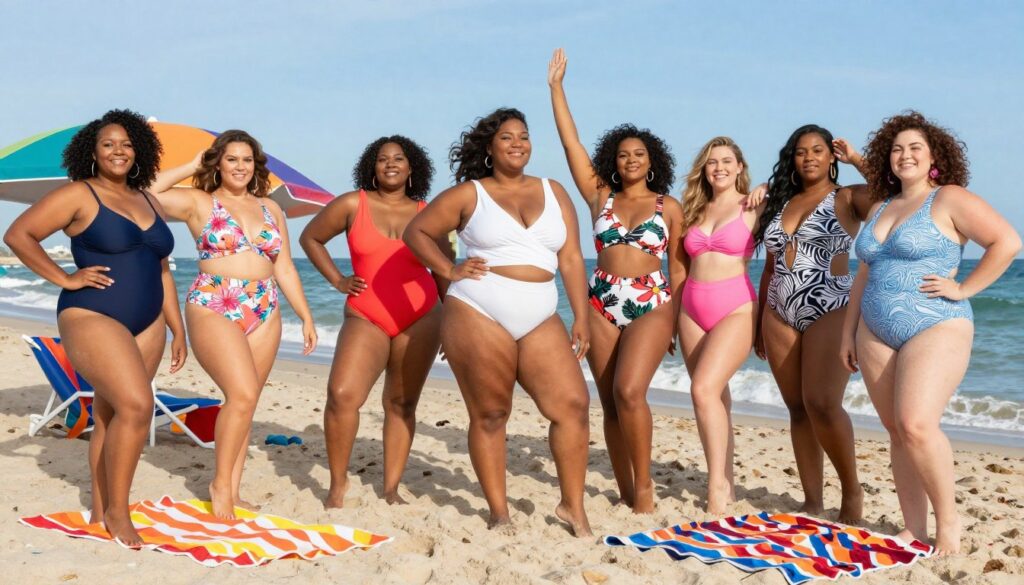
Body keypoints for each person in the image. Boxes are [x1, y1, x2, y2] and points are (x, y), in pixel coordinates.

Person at [403, 108, 592, 536]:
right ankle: (499, 512)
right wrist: (449, 272)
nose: (517, 144)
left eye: (523, 136)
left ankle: (572, 507)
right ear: (490, 148)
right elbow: (417, 232)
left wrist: (581, 315)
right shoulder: (471, 194)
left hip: (542, 311)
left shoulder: (554, 190)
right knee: (491, 413)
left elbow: (572, 257)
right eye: (506, 138)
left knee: (572, 406)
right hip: (478, 308)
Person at [4, 109, 185, 546]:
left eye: (126, 144)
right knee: (139, 407)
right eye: (108, 144)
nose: (118, 151)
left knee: (111, 415)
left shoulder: (149, 200)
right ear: (93, 152)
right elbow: (19, 235)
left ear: (138, 149)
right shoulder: (79, 195)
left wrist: (178, 327)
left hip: (149, 322)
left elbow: (161, 268)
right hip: (92, 314)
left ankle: (103, 509)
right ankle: (121, 515)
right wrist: (65, 278)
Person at [841, 111, 1020, 554]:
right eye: (898, 148)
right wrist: (849, 332)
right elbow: (864, 271)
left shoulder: (949, 198)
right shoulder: (881, 204)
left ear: (934, 157)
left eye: (915, 148)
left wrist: (964, 287)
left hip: (936, 322)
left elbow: (1007, 242)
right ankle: (913, 527)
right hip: (874, 329)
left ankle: (949, 524)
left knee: (916, 424)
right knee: (896, 431)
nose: (905, 155)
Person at [149, 130, 317, 519]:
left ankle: (234, 489)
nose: (240, 166)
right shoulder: (199, 202)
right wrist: (190, 167)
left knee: (247, 403)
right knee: (240, 395)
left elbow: (285, 266)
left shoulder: (270, 209)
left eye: (247, 160)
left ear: (255, 166)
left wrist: (306, 315)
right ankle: (219, 485)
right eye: (232, 159)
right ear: (218, 164)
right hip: (213, 300)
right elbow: (147, 195)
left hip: (265, 305)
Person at [547, 48, 683, 514]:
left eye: (638, 154)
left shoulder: (669, 207)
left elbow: (679, 266)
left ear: (651, 160)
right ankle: (624, 489)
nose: (630, 160)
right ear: (614, 160)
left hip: (653, 301)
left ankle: (644, 486)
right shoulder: (599, 195)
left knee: (630, 392)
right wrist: (556, 89)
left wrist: (677, 321)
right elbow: (571, 145)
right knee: (608, 404)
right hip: (601, 299)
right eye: (623, 155)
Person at [299, 136, 450, 508]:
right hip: (366, 315)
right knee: (342, 395)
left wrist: (454, 321)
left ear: (412, 167)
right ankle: (338, 485)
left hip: (423, 318)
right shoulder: (354, 204)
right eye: (383, 159)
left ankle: (391, 488)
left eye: (399, 158)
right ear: (373, 166)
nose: (391, 164)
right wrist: (337, 280)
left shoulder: (429, 212)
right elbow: (311, 238)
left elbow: (444, 269)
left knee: (401, 404)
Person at [751, 125, 870, 522]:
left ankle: (852, 491)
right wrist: (757, 324)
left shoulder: (848, 196)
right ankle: (813, 501)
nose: (809, 158)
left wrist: (857, 159)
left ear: (831, 156)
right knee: (797, 408)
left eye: (818, 150)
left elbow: (899, 194)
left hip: (832, 306)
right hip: (779, 312)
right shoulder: (781, 202)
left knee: (822, 402)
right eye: (801, 152)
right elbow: (769, 268)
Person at [677, 137, 766, 516]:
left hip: (735, 307)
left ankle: (715, 486)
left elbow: (796, 194)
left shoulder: (754, 205)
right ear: (704, 168)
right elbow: (679, 266)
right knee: (714, 399)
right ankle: (725, 479)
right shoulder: (694, 209)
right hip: (690, 309)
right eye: (712, 162)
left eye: (727, 161)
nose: (720, 168)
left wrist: (769, 187)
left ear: (740, 167)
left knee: (702, 389)